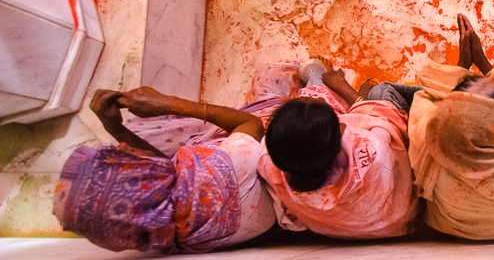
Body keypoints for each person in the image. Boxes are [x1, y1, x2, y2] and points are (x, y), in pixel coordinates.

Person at [53, 87, 276, 253]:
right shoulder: (216, 169)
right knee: (270, 77)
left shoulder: (164, 235)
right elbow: (251, 125)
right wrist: (170, 103)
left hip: (252, 204)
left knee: (138, 130)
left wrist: (115, 128)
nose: (121, 147)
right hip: (262, 152)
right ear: (141, 186)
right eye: (123, 161)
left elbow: (168, 177)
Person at [407, 14, 494, 241]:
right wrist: (484, 65)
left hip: (448, 226)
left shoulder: (428, 138)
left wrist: (462, 65)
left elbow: (425, 94)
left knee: (385, 92)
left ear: (445, 114)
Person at [256, 59, 420, 239]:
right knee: (380, 91)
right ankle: (322, 82)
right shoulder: (373, 149)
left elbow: (302, 140)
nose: (317, 99)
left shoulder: (271, 162)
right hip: (396, 225)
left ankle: (316, 80)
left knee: (311, 112)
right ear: (340, 134)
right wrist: (347, 89)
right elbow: (388, 118)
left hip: (332, 230)